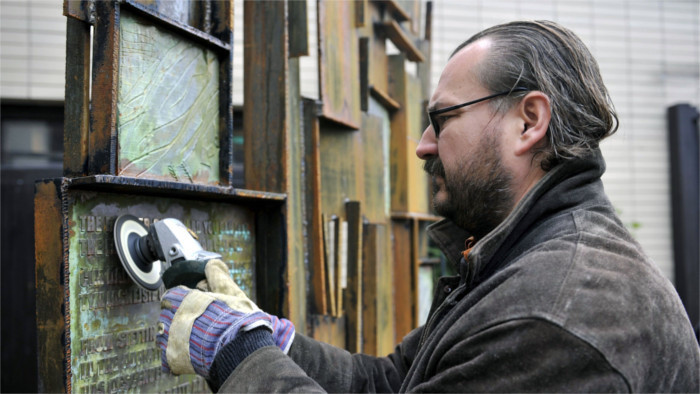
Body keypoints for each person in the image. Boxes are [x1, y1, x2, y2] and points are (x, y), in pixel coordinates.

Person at [157, 20, 700, 392]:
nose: (422, 144)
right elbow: (391, 384)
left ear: (529, 122)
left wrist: (236, 352)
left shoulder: (557, 315)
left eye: (442, 119)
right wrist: (272, 339)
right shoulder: (521, 263)